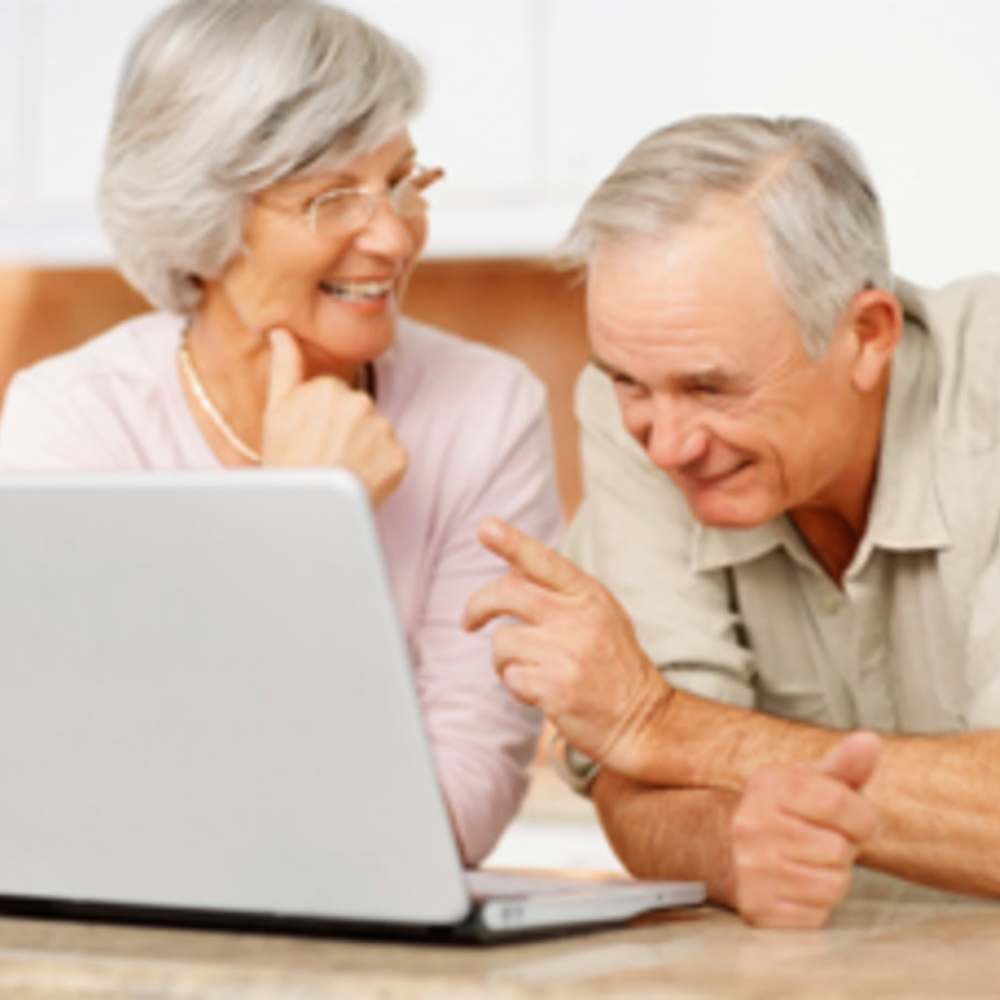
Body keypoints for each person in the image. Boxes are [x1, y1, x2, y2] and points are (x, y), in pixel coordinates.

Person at [0, 0, 561, 866]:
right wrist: (300, 521)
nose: (392, 234)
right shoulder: (73, 420)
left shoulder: (487, 410)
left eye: (403, 182)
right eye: (332, 197)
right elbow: (90, 797)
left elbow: (456, 808)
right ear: (205, 220)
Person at [462, 114, 1000, 925]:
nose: (668, 443)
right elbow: (636, 786)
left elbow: (643, 731)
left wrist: (661, 723)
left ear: (866, 336)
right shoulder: (626, 424)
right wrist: (725, 848)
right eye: (630, 382)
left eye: (711, 388)